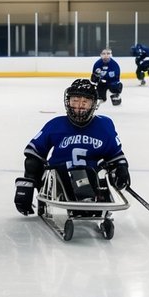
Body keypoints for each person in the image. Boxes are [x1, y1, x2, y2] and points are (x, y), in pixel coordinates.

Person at [14, 78, 130, 214]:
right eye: (75, 101)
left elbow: (115, 155)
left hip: (93, 179)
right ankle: (85, 202)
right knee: (78, 173)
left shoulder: (104, 125)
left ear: (93, 104)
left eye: (84, 102)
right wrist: (27, 184)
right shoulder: (56, 124)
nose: (79, 107)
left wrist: (121, 168)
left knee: (92, 174)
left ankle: (90, 200)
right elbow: (33, 157)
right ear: (68, 102)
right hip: (59, 180)